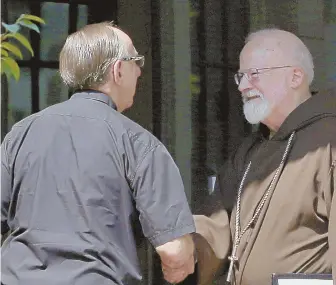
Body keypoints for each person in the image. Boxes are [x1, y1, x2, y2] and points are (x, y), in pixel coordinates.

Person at [1, 22, 196, 285]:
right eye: (135, 60)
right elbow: (174, 251)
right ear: (118, 70)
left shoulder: (21, 134)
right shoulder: (138, 144)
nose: (139, 71)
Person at [177, 28, 336, 285]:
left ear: (295, 76)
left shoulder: (329, 142)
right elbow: (217, 217)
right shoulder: (250, 150)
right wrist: (185, 244)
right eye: (240, 76)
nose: (242, 86)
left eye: (255, 75)